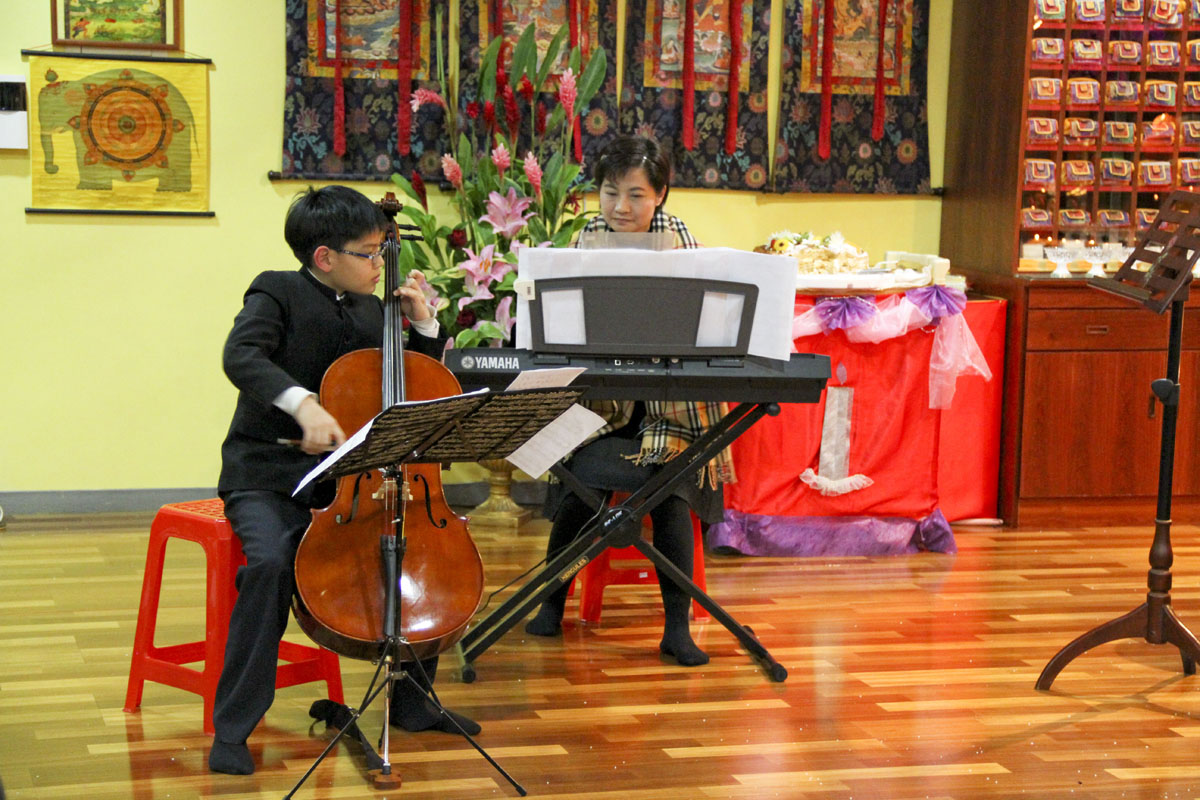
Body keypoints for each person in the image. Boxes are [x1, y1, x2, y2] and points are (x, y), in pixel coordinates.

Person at [211, 185, 478, 775]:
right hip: (270, 474)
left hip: (349, 479)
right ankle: (232, 727)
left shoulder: (371, 311)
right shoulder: (276, 291)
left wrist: (424, 326)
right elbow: (241, 356)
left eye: (382, 250)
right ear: (325, 256)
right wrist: (301, 403)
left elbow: (411, 386)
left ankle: (414, 703)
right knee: (271, 564)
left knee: (412, 546)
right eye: (369, 252)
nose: (380, 263)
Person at [523, 135, 731, 667]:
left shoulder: (685, 247)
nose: (620, 207)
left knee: (671, 488)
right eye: (610, 192)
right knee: (580, 481)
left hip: (674, 412)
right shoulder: (585, 242)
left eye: (636, 195)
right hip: (605, 411)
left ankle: (676, 628)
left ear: (660, 194)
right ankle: (551, 604)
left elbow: (708, 335)